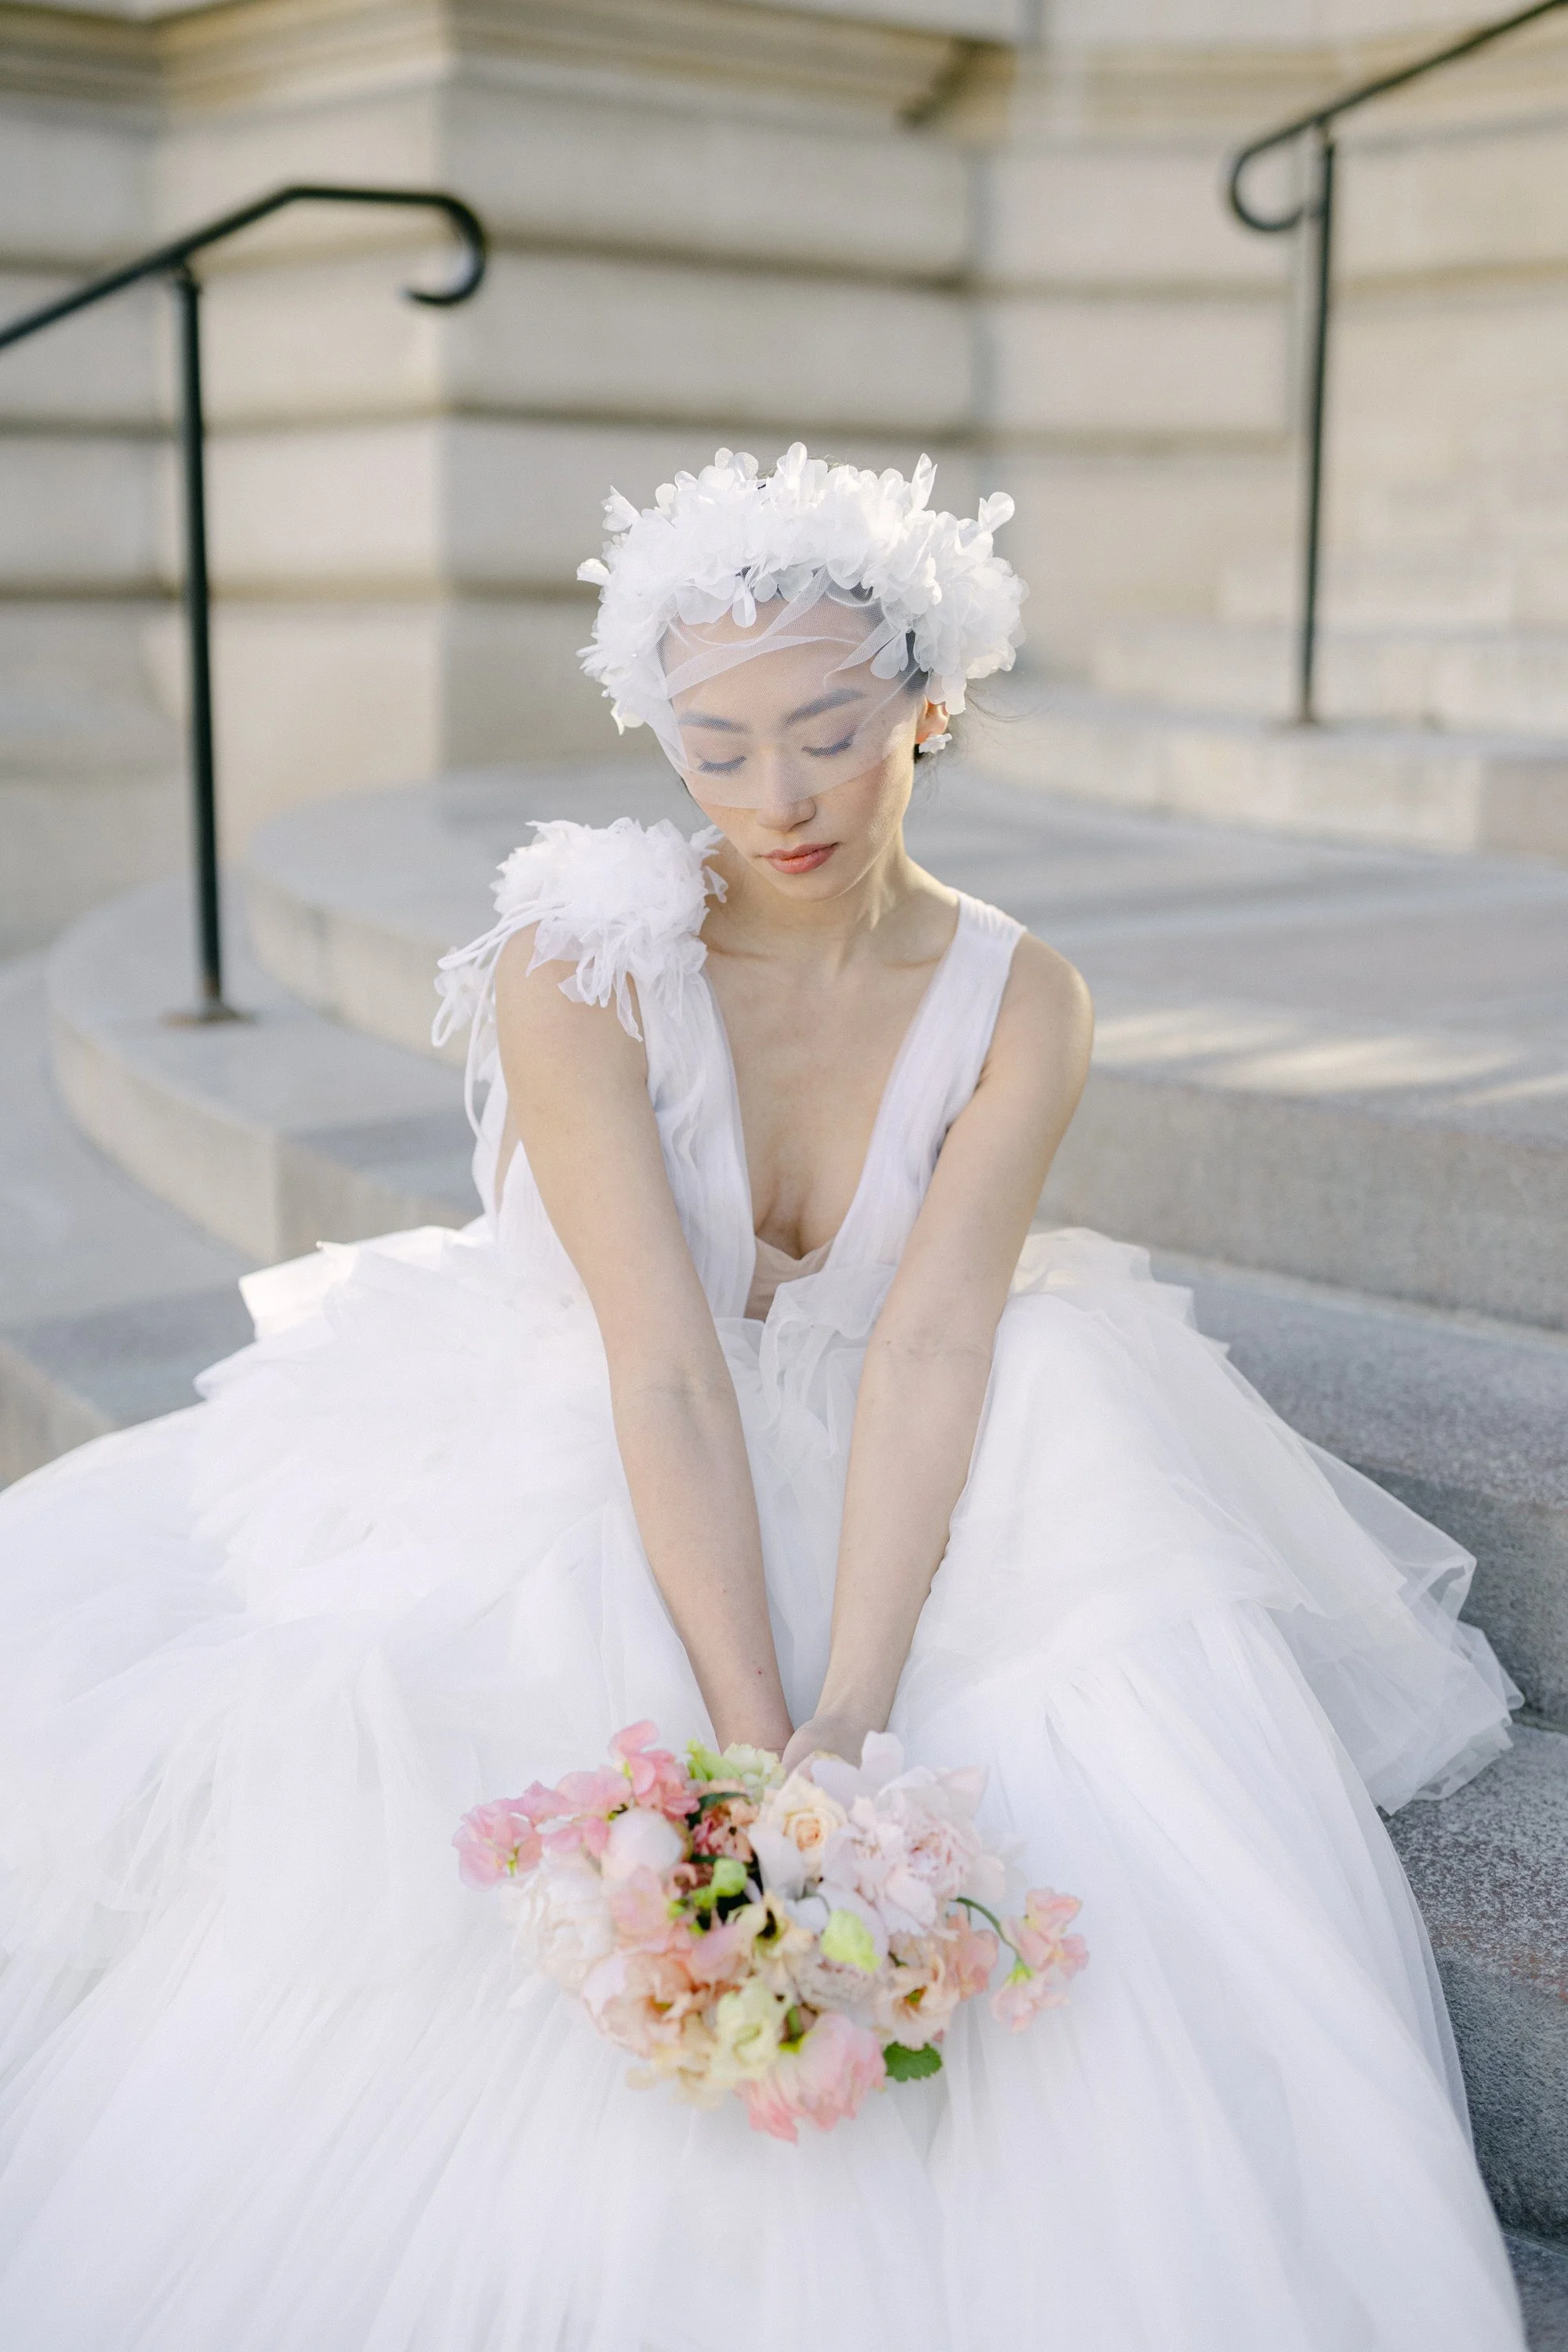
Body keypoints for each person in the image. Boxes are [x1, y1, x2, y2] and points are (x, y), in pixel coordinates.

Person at [0, 446, 1527, 2350]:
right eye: (712, 748)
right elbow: (658, 1358)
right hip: (618, 1406)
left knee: (1063, 1470)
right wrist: (746, 1753)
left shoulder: (1020, 998)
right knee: (547, 1602)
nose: (773, 797)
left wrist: (858, 1728)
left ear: (930, 703)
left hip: (882, 1412)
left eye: (827, 731)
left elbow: (935, 1339)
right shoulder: (590, 962)